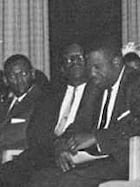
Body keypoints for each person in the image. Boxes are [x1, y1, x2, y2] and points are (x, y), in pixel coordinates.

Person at [28, 40, 140, 187]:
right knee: (42, 177)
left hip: (123, 158)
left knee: (71, 180)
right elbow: (80, 122)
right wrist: (61, 145)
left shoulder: (139, 83)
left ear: (116, 62)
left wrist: (96, 137)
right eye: (89, 68)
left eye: (97, 67)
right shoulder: (95, 85)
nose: (91, 73)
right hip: (93, 157)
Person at [0, 43, 98, 187]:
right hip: (46, 152)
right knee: (6, 173)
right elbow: (36, 133)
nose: (75, 62)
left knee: (42, 179)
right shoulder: (51, 97)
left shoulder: (98, 94)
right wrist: (54, 146)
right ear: (62, 69)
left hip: (76, 153)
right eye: (69, 60)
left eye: (79, 58)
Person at [0, 54, 46, 151]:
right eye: (13, 76)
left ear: (33, 74)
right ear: (5, 80)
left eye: (24, 74)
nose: (19, 80)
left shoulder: (43, 101)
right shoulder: (4, 105)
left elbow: (36, 139)